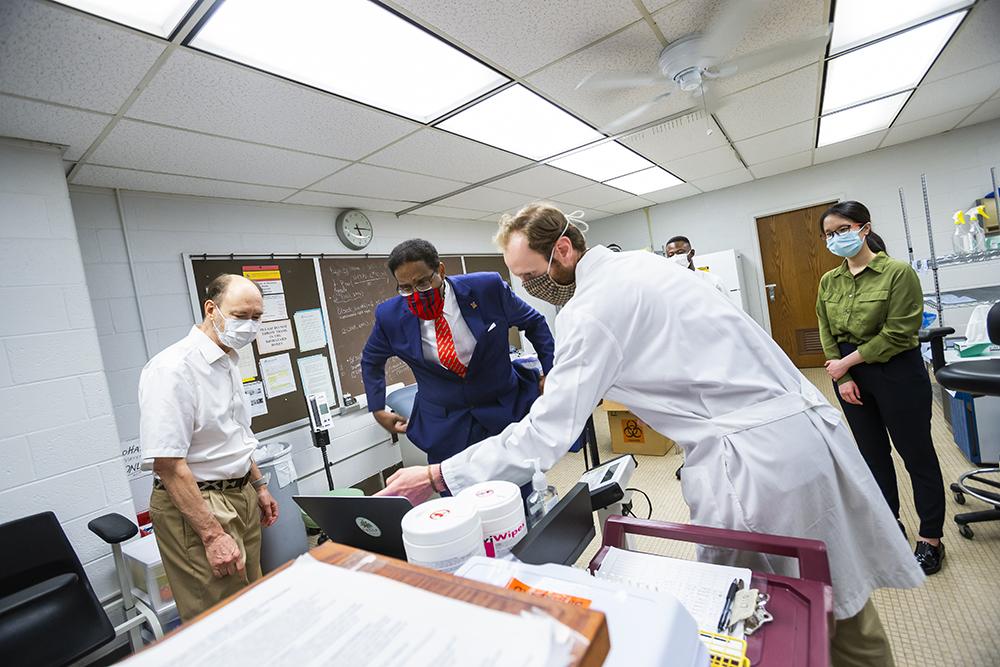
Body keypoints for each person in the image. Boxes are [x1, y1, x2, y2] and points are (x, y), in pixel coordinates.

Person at [380, 203, 923, 667]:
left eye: (528, 274)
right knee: (839, 597)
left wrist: (437, 472)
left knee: (744, 614)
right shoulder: (640, 265)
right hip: (792, 434)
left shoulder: (592, 310)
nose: (529, 287)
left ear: (563, 251)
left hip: (754, 463)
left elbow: (546, 433)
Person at [816, 201, 946, 575]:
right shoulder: (829, 281)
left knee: (916, 455)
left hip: (896, 372)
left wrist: (847, 364)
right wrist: (842, 377)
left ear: (864, 228)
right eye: (829, 234)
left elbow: (898, 332)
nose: (835, 239)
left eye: (842, 230)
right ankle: (890, 528)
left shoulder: (897, 273)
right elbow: (825, 327)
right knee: (873, 457)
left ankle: (931, 539)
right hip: (852, 378)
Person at [139, 274, 279, 621]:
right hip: (198, 502)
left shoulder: (228, 359)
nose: (249, 325)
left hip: (239, 492)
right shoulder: (173, 368)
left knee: (249, 597)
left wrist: (258, 485)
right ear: (211, 309)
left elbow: (233, 434)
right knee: (218, 613)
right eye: (240, 315)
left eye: (257, 317)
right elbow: (169, 465)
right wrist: (212, 535)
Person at [362, 239, 559, 469]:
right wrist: (377, 409)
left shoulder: (487, 289)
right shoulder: (390, 317)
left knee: (518, 488)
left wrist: (552, 372)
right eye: (405, 288)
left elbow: (534, 322)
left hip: (503, 409)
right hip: (446, 425)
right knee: (455, 496)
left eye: (423, 282)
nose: (416, 294)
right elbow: (371, 361)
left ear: (441, 270)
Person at [664, 235, 729, 296]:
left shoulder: (713, 281)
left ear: (692, 253)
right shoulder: (669, 286)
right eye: (671, 255)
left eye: (680, 252)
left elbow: (728, 307)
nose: (675, 257)